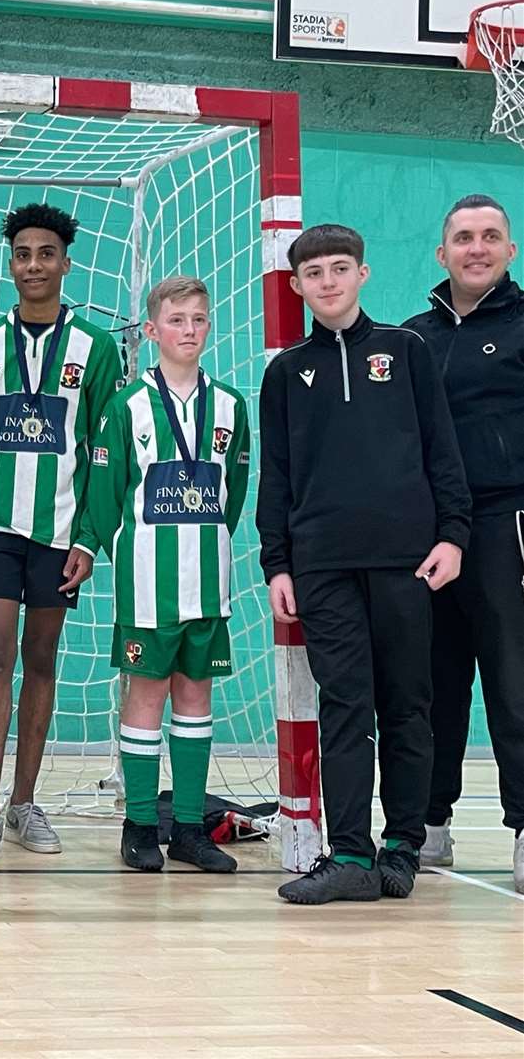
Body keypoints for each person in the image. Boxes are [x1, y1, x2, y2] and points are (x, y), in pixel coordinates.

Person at [258, 223, 470, 905]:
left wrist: (452, 536)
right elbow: (277, 477)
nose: (327, 281)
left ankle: (401, 845)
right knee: (344, 706)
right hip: (321, 567)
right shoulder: (285, 372)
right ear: (296, 286)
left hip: (407, 561)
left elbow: (443, 451)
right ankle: (348, 854)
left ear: (361, 274)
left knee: (408, 704)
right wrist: (277, 564)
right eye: (313, 272)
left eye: (338, 268)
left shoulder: (405, 351)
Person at [0, 203, 122, 866]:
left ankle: (24, 801)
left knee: (41, 661)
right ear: (10, 262)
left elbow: (102, 453)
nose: (33, 265)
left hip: (57, 535)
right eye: (22, 253)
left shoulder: (95, 349)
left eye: (45, 253)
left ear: (64, 262)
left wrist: (88, 539)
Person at [88, 276, 248, 874]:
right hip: (148, 586)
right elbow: (105, 500)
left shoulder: (231, 405)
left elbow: (231, 496)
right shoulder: (126, 406)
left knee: (196, 699)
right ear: (152, 330)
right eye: (177, 320)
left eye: (199, 320)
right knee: (146, 696)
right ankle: (138, 825)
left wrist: (208, 541)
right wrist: (133, 553)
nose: (189, 330)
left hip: (209, 583)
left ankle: (187, 827)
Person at [402, 194, 524, 893]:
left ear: (509, 251)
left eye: (489, 237)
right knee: (431, 686)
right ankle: (427, 824)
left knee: (512, 685)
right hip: (428, 537)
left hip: (506, 525)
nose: (475, 248)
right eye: (461, 238)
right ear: (440, 254)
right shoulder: (412, 339)